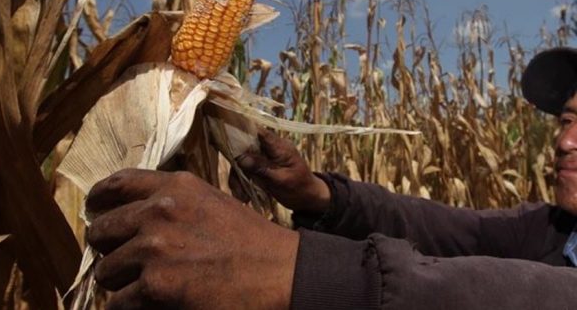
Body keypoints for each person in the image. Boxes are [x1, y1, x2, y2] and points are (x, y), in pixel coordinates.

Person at [86, 47, 577, 309]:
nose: (564, 143)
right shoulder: (551, 228)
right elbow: (449, 229)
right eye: (565, 121)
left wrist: (299, 272)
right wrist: (319, 195)